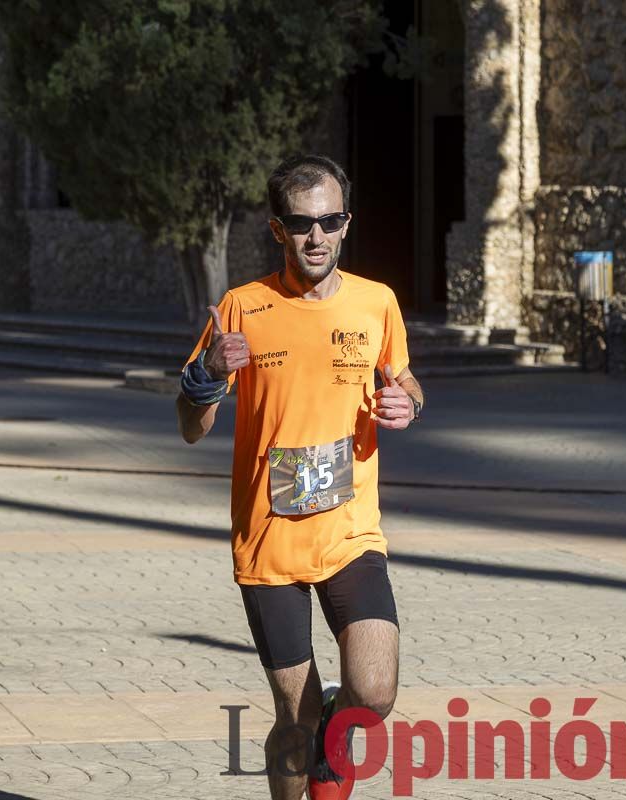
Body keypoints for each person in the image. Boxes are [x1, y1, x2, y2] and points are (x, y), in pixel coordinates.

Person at [175, 154, 424, 800]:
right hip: (270, 542)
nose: (318, 237)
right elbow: (190, 426)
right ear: (277, 229)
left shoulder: (377, 303)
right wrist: (207, 374)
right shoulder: (242, 308)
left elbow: (404, 378)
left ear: (346, 224)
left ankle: (330, 744)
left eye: (330, 221)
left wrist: (409, 402)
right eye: (302, 223)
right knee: (296, 715)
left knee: (373, 693)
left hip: (349, 535)